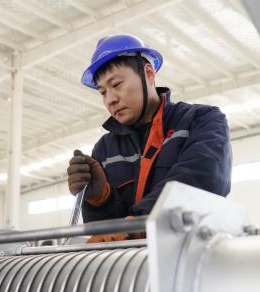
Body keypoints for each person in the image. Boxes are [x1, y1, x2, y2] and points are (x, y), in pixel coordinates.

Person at [67, 34, 232, 242]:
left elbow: (201, 179)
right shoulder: (105, 149)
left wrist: (137, 223)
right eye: (102, 92)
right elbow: (107, 236)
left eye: (116, 84)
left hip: (191, 253)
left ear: (148, 74)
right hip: (128, 262)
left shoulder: (201, 120)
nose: (110, 99)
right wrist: (100, 199)